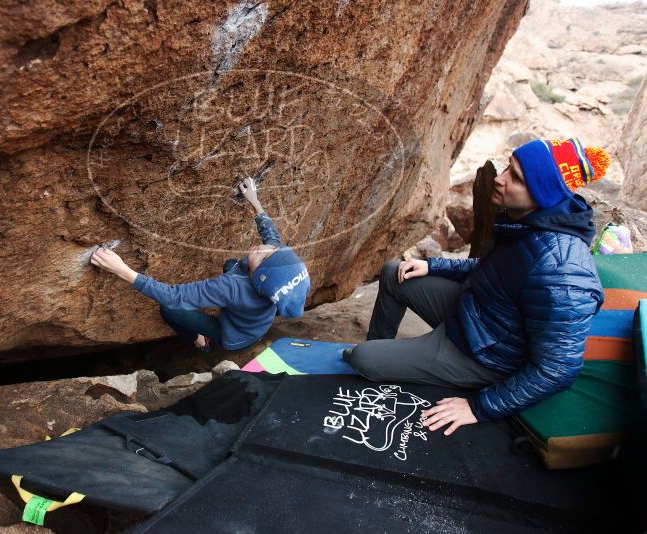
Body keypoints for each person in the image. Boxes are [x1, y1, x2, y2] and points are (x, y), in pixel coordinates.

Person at [343, 137, 610, 436]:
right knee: (396, 272)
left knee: (363, 359)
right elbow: (492, 271)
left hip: (487, 356)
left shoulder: (564, 274)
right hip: (476, 314)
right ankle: (382, 347)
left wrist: (479, 407)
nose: (499, 179)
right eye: (509, 167)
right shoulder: (530, 222)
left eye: (516, 178)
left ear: (542, 194)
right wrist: (434, 266)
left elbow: (558, 370)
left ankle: (374, 355)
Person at [90, 177, 310, 352]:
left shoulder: (232, 287)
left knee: (170, 310)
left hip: (233, 337)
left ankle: (199, 341)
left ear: (260, 277)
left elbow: (173, 296)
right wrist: (254, 200)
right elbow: (273, 238)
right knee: (232, 264)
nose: (263, 248)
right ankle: (232, 312)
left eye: (264, 257)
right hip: (253, 321)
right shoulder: (271, 269)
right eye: (272, 249)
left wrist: (121, 269)